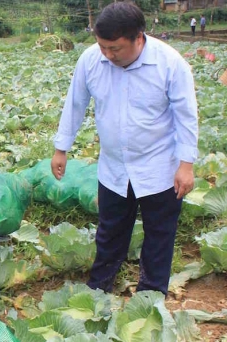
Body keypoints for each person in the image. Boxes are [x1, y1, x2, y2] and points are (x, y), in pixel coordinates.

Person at [50, 3, 198, 296]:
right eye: (102, 46)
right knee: (111, 231)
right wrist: (61, 148)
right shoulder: (91, 60)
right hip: (114, 166)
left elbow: (186, 115)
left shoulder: (170, 63)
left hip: (159, 166)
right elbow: (75, 103)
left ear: (138, 38)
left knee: (159, 233)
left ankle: (151, 294)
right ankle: (100, 288)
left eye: (115, 48)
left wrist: (186, 164)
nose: (107, 54)